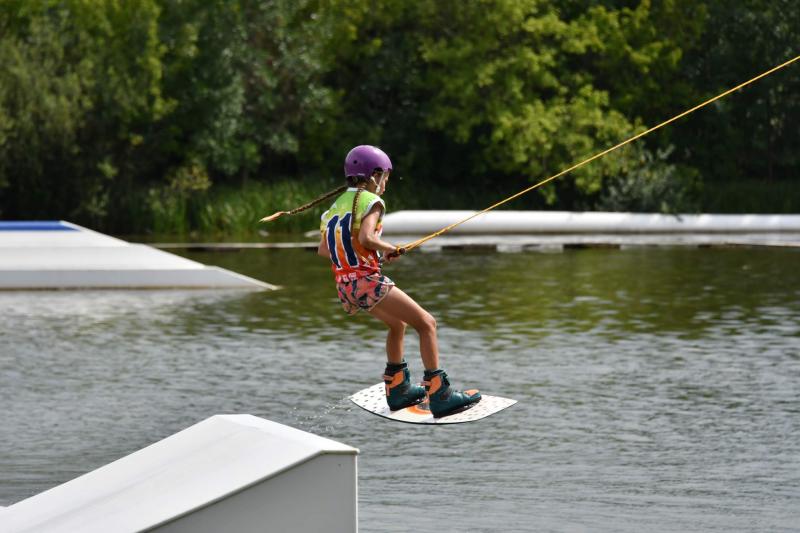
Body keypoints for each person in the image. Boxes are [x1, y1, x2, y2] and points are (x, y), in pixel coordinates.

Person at [265, 145, 480, 417]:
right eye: (386, 177)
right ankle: (439, 394)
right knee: (427, 323)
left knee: (397, 325)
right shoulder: (371, 201)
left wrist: (370, 252)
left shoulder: (333, 208)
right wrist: (386, 247)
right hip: (366, 281)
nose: (386, 183)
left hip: (346, 286)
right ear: (374, 174)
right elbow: (366, 237)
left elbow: (324, 249)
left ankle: (398, 388)